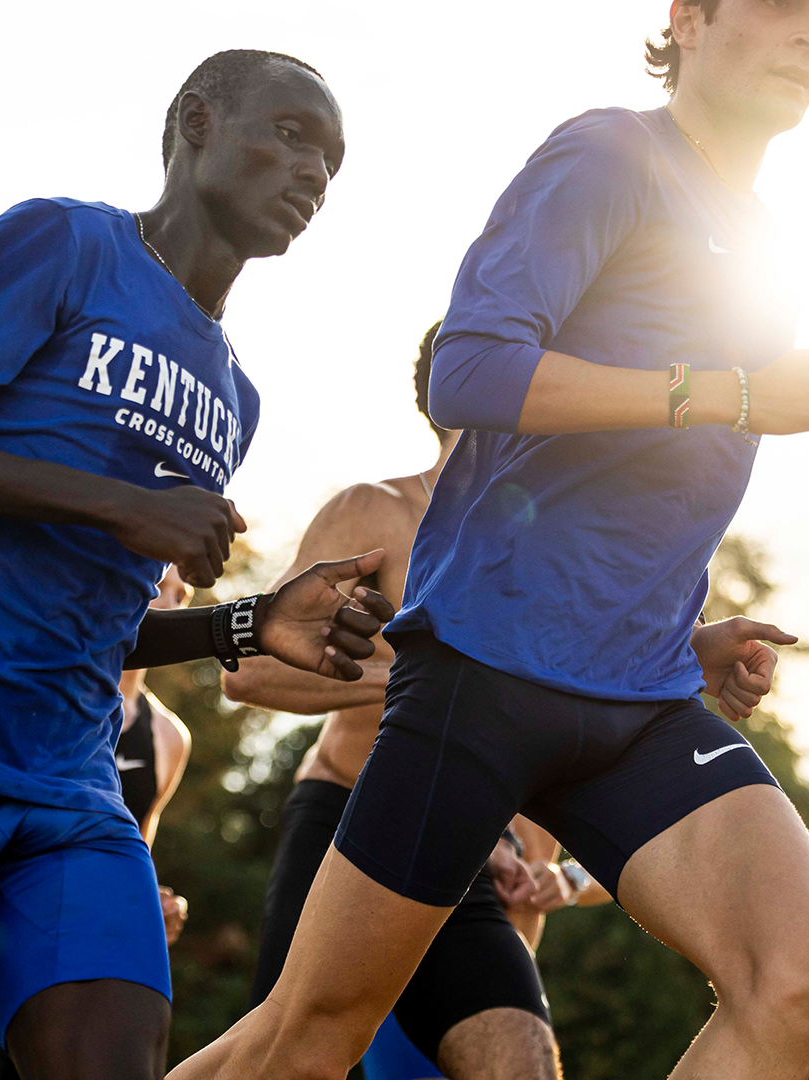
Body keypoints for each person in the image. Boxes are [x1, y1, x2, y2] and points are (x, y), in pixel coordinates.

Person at [171, 3, 809, 1078]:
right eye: (783, 7)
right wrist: (734, 390)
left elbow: (634, 497)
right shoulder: (607, 155)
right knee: (307, 1040)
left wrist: (686, 634)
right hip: (486, 676)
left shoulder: (764, 239)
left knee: (803, 984)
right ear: (689, 19)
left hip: (641, 694)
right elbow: (472, 369)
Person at [0, 48, 391, 1080]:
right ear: (195, 122)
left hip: (72, 789)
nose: (315, 176)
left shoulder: (234, 394)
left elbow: (96, 619)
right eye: (290, 135)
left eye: (331, 160)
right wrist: (123, 504)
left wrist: (249, 622)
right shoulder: (62, 243)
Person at [226, 323, 611, 1080]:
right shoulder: (377, 514)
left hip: (469, 847)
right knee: (284, 1062)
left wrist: (550, 869)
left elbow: (574, 729)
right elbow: (246, 671)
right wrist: (419, 678)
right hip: (347, 816)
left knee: (520, 1064)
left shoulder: (557, 552)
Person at [0, 566, 197, 1080]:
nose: (170, 600)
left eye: (183, 594)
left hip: (91, 941)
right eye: (161, 585)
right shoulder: (38, 692)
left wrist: (151, 902)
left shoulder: (168, 737)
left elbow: (136, 842)